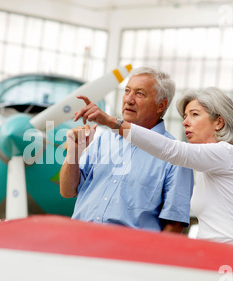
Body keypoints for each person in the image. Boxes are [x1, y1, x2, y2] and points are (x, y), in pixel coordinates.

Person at [74, 86, 233, 245]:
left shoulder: (227, 154)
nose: (185, 122)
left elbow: (172, 151)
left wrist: (113, 123)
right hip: (215, 259)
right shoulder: (217, 168)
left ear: (219, 123)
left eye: (195, 114)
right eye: (185, 116)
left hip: (231, 263)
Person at [60, 67, 194, 233]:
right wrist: (74, 152)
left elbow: (174, 226)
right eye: (127, 91)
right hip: (80, 242)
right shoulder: (104, 139)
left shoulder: (177, 156)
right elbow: (67, 191)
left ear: (161, 105)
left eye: (139, 94)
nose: (128, 100)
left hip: (127, 253)